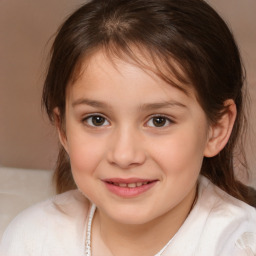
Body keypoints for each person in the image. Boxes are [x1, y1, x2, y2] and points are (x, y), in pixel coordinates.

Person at [1, 0, 256, 255]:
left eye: (159, 120)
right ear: (64, 129)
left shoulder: (241, 245)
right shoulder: (32, 239)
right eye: (97, 120)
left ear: (216, 129)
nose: (124, 156)